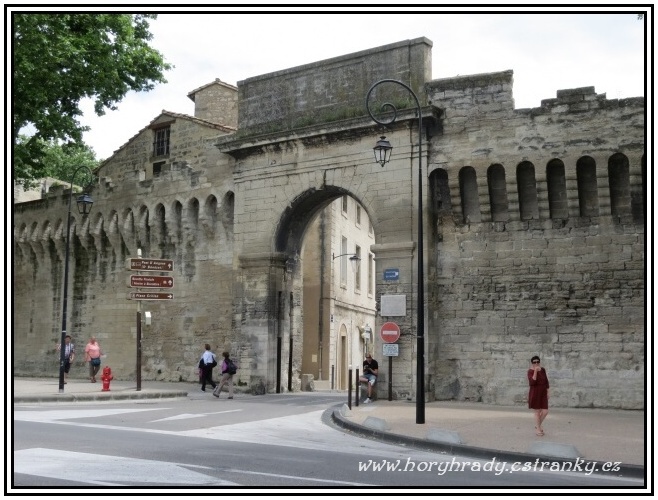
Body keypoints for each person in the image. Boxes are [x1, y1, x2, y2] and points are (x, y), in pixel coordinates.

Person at [528, 355, 550, 436]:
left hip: (543, 392)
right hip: (535, 393)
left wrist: (548, 392)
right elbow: (532, 382)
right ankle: (538, 429)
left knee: (545, 411)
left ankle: (537, 426)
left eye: (538, 362)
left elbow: (546, 381)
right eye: (534, 362)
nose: (536, 363)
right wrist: (535, 371)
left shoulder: (543, 369)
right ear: (532, 363)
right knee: (537, 412)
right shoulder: (530, 371)